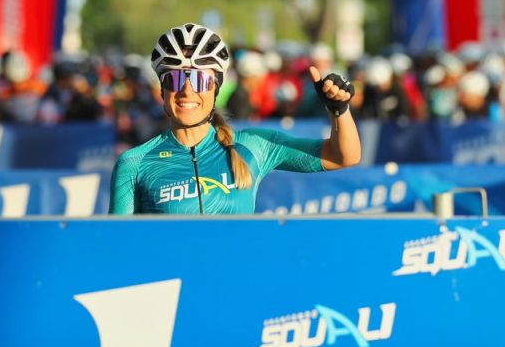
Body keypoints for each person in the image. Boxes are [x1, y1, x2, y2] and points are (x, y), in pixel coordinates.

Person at [109, 23, 361, 215]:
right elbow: (115, 250)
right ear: (162, 90)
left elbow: (343, 156)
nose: (187, 91)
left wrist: (339, 110)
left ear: (216, 88)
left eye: (200, 80)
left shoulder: (253, 145)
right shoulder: (134, 163)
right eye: (174, 79)